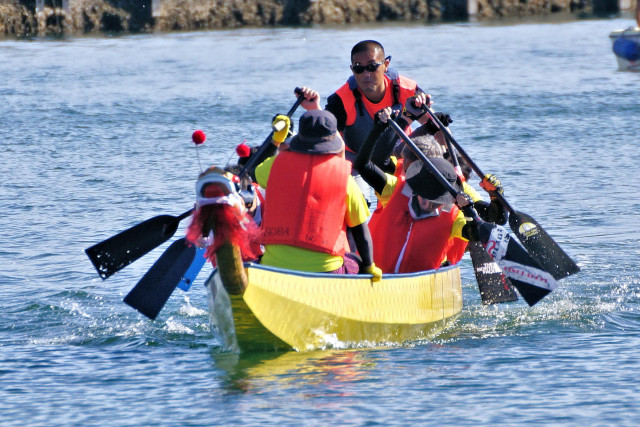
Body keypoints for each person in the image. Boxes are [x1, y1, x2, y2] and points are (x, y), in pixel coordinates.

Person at [354, 106, 506, 274]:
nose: (428, 204)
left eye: (436, 201)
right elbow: (364, 165)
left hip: (421, 279)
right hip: (373, 274)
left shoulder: (453, 211)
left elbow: (482, 229)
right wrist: (379, 128)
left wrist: (491, 198)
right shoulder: (396, 187)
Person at [254, 110, 382, 280]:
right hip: (326, 271)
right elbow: (361, 231)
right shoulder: (344, 177)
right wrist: (369, 266)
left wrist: (276, 140)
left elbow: (252, 171)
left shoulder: (275, 164)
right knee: (356, 261)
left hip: (274, 266)